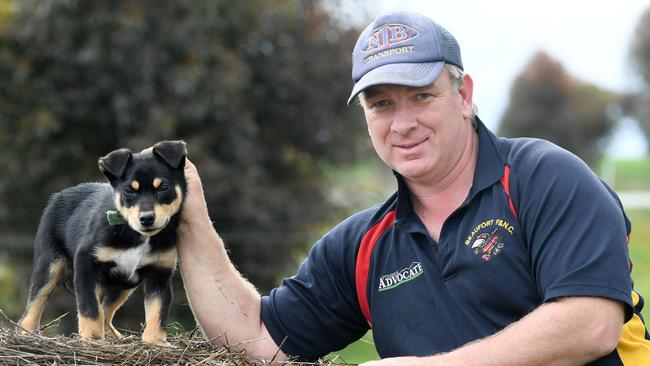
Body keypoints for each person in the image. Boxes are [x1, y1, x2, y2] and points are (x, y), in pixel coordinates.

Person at [177, 10, 650, 365]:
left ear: (463, 96)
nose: (402, 124)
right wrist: (191, 219)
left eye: (421, 96)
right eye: (381, 104)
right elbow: (255, 340)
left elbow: (591, 322)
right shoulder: (361, 247)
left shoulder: (543, 177)